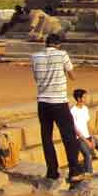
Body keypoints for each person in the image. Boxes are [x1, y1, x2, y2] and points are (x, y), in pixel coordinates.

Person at [31, 33, 84, 185]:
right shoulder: (62, 55)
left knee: (46, 138)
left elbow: (36, 78)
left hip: (42, 102)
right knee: (68, 137)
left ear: (46, 43)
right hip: (59, 102)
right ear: (58, 44)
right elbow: (72, 76)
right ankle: (74, 171)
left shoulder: (35, 57)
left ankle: (52, 171)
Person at [70, 89, 98, 175]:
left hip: (88, 137)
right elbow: (75, 130)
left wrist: (92, 138)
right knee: (88, 156)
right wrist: (87, 142)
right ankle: (89, 176)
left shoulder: (85, 109)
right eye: (84, 97)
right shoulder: (72, 111)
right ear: (79, 98)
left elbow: (88, 125)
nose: (86, 98)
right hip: (79, 139)